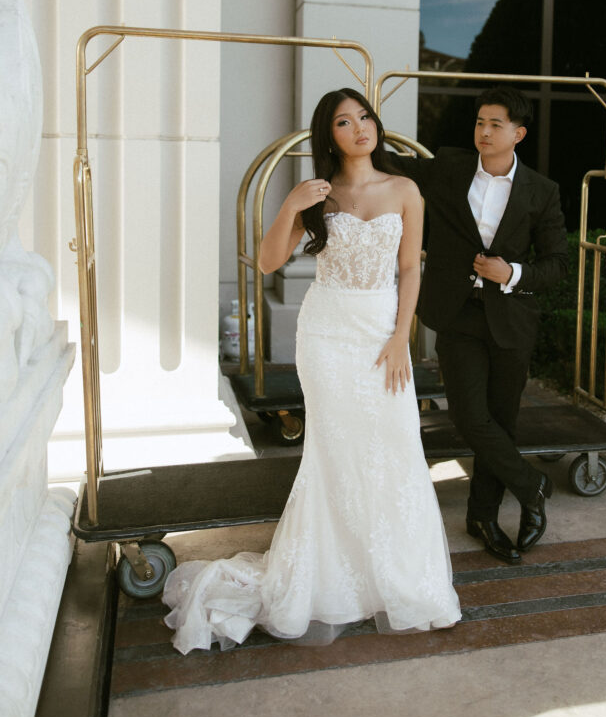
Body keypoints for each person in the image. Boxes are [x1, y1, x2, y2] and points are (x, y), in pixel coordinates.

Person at [162, 88, 461, 653]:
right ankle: (327, 580)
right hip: (326, 338)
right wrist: (289, 205)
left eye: (365, 117)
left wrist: (403, 337)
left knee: (395, 448)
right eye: (345, 123)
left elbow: (409, 270)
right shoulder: (318, 197)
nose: (360, 128)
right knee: (334, 454)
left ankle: (402, 582)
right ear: (330, 136)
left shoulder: (405, 190)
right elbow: (268, 259)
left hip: (381, 334)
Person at [394, 86, 568, 565]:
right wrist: (351, 131)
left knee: (502, 421)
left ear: (518, 133)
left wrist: (511, 273)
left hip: (511, 318)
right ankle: (532, 485)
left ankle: (484, 517)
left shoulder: (542, 191)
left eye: (495, 124)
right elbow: (393, 164)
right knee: (470, 416)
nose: (484, 132)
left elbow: (558, 264)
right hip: (457, 313)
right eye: (479, 123)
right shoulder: (448, 167)